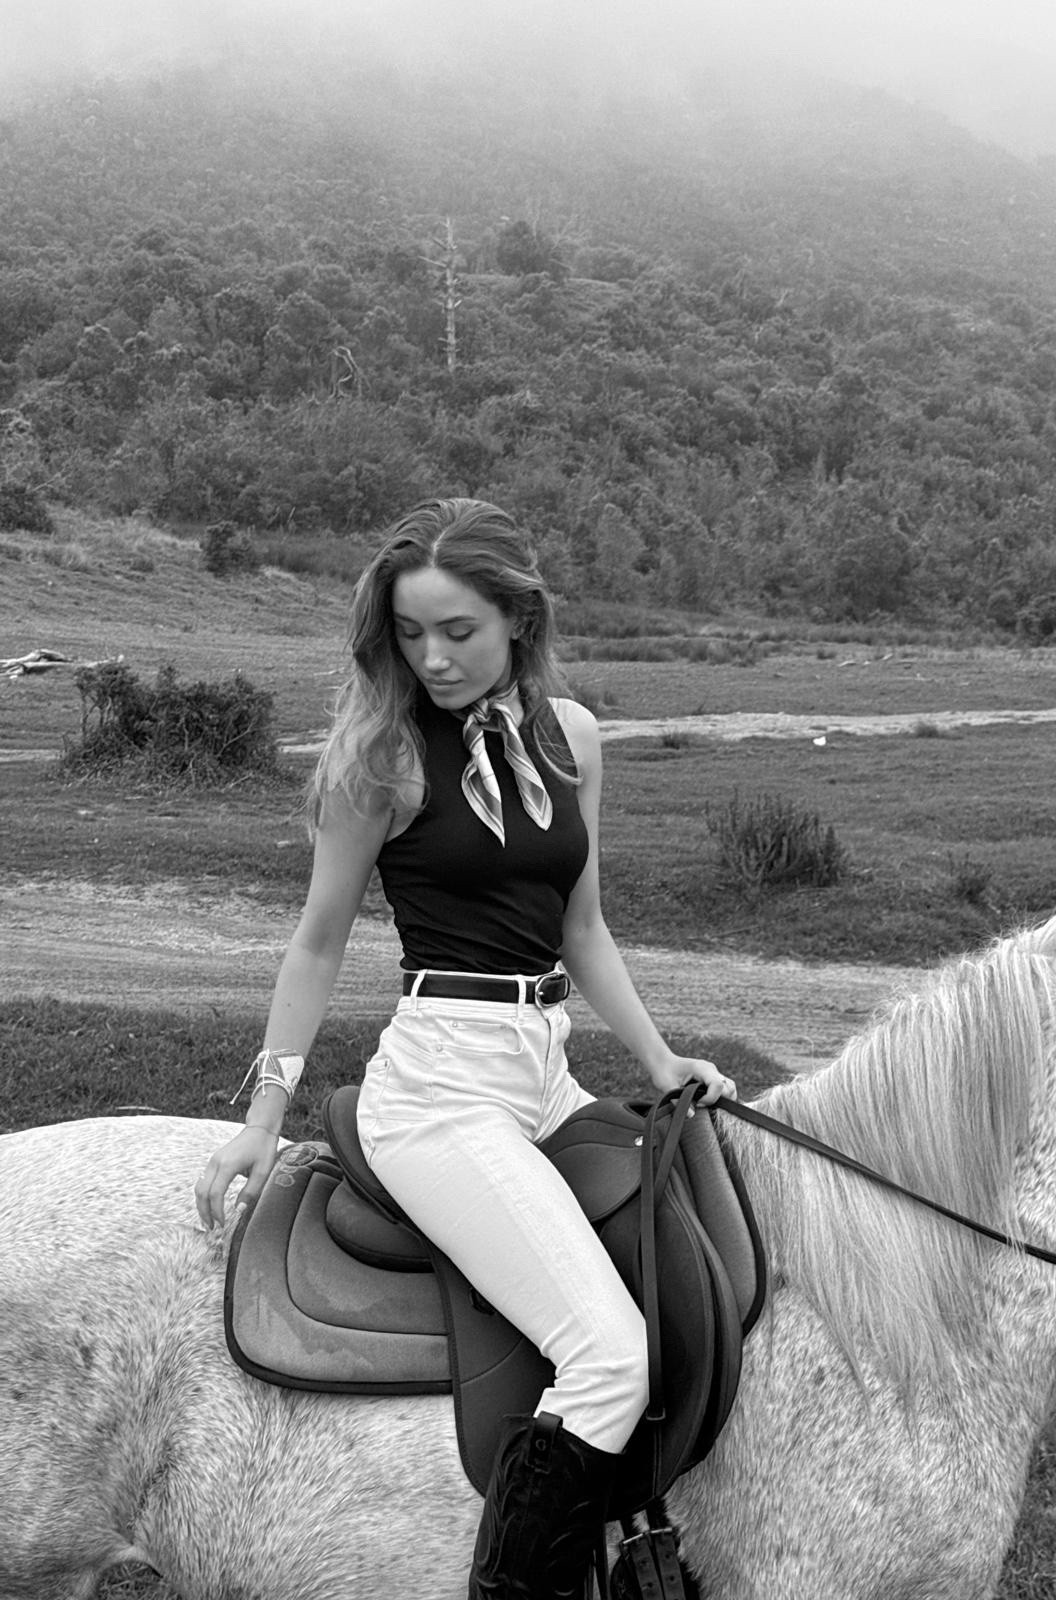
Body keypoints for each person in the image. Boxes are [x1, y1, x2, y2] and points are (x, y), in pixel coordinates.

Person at [195, 497, 735, 1599]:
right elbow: (315, 943)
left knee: (702, 1257)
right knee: (608, 1354)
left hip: (546, 1070)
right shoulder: (380, 759)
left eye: (458, 631)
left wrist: (661, 1057)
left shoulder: (571, 736)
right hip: (440, 1085)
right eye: (408, 632)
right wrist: (263, 1113)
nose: (431, 658)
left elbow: (582, 928)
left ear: (518, 620)